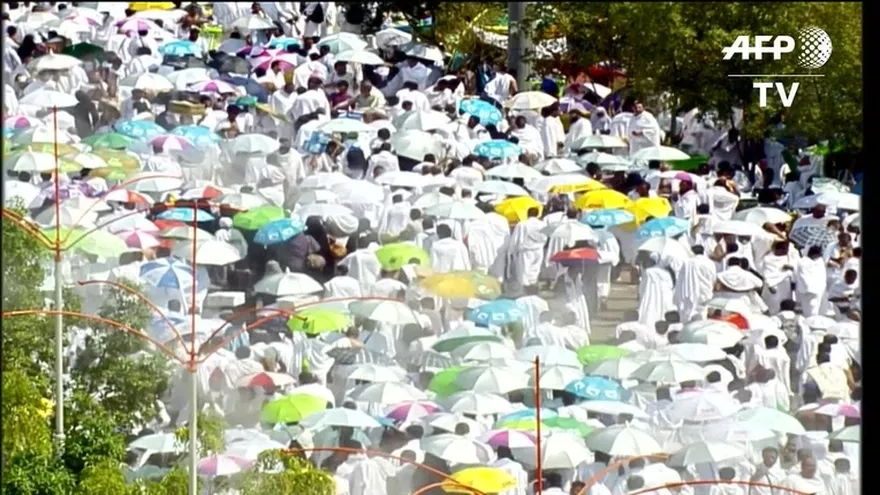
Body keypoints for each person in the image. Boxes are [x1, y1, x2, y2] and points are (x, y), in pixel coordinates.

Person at [637, 252, 675, 328]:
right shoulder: (666, 272)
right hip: (664, 297)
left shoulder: (648, 272)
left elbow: (642, 286)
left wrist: (640, 295)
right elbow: (670, 286)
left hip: (650, 296)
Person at [794, 246, 827, 317]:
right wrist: (810, 288)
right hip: (807, 291)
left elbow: (822, 274)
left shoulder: (819, 261)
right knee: (807, 310)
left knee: (816, 310)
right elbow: (804, 276)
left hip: (819, 289)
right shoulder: (803, 262)